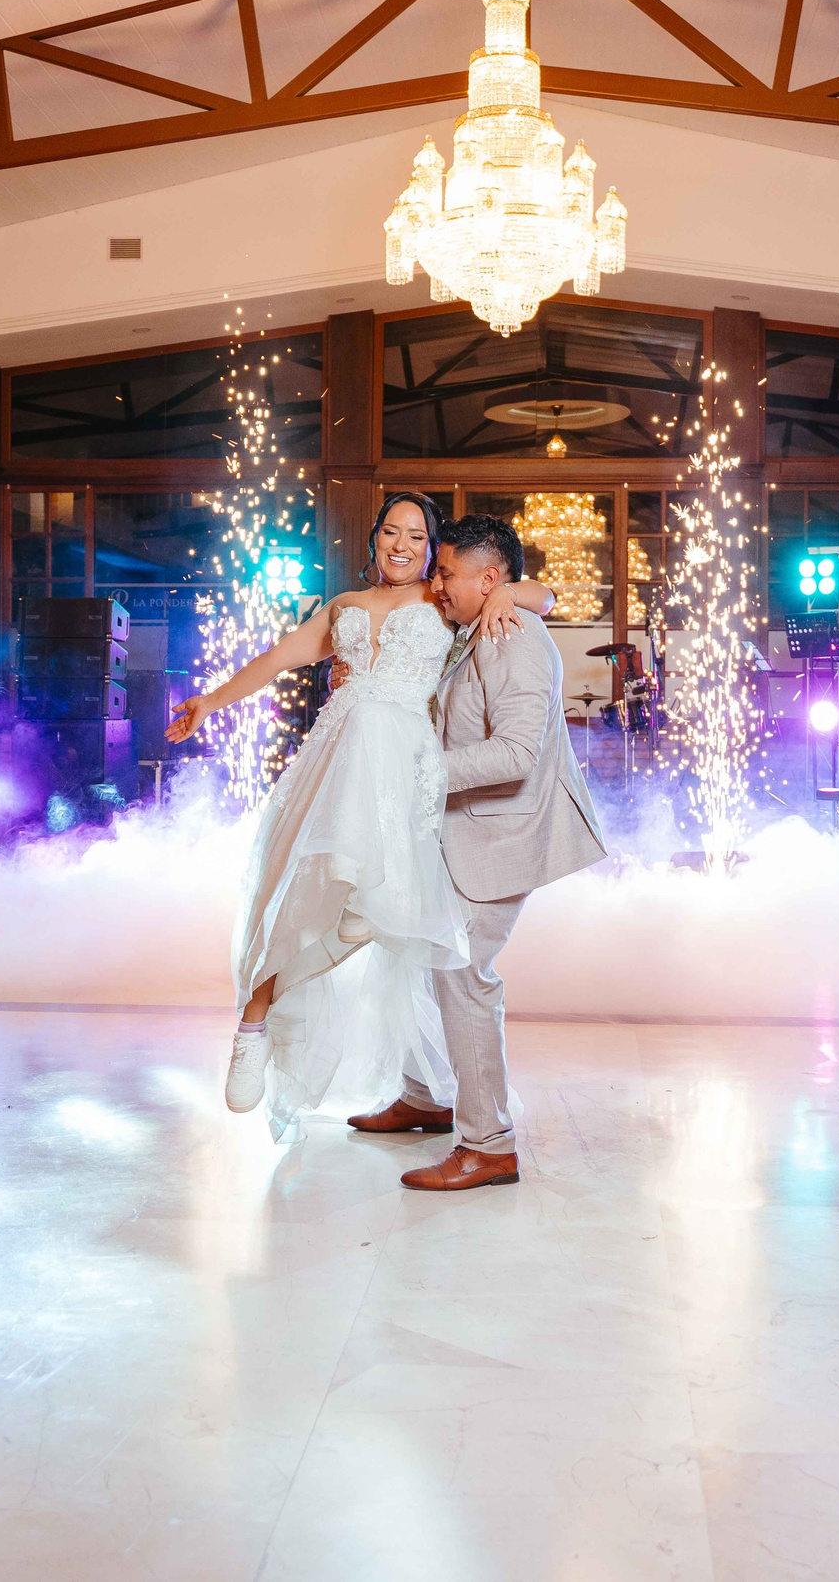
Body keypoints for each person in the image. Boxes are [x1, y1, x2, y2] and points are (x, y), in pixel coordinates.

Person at [164, 493, 555, 1139]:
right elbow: (276, 659)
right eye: (390, 532)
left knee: (376, 918)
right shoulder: (342, 607)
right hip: (336, 763)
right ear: (372, 538)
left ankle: (426, 1093)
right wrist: (211, 701)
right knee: (299, 893)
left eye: (416, 535)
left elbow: (543, 597)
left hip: (403, 775)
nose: (401, 544)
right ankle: (254, 1019)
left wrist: (509, 591)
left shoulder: (445, 600)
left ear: (433, 549)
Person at [348, 513, 608, 1193]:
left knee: (464, 977)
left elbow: (518, 753)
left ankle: (488, 1144)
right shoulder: (481, 621)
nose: (436, 583)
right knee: (419, 954)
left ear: (489, 579)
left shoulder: (513, 634)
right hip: (462, 830)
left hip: (499, 833)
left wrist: (421, 769)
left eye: (447, 572)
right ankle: (428, 1095)